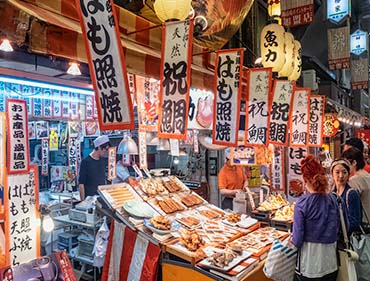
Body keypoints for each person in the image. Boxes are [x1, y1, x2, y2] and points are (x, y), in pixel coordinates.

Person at [292, 155, 340, 281]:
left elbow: (297, 240)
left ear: (305, 179)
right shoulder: (332, 199)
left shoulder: (302, 203)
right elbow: (337, 227)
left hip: (309, 264)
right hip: (331, 261)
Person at [330, 159, 362, 235]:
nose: (341, 176)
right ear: (332, 174)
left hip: (348, 240)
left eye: (344, 172)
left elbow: (354, 223)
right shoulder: (332, 194)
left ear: (348, 174)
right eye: (337, 172)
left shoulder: (351, 194)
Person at [342, 147, 370, 224]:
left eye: (346, 164)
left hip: (363, 223)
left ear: (354, 163)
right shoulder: (368, 175)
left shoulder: (354, 180)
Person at [79, 135, 110, 200]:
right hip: (89, 199)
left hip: (102, 197)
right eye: (105, 149)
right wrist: (83, 202)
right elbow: (81, 184)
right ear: (99, 147)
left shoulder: (103, 160)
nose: (106, 152)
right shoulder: (85, 162)